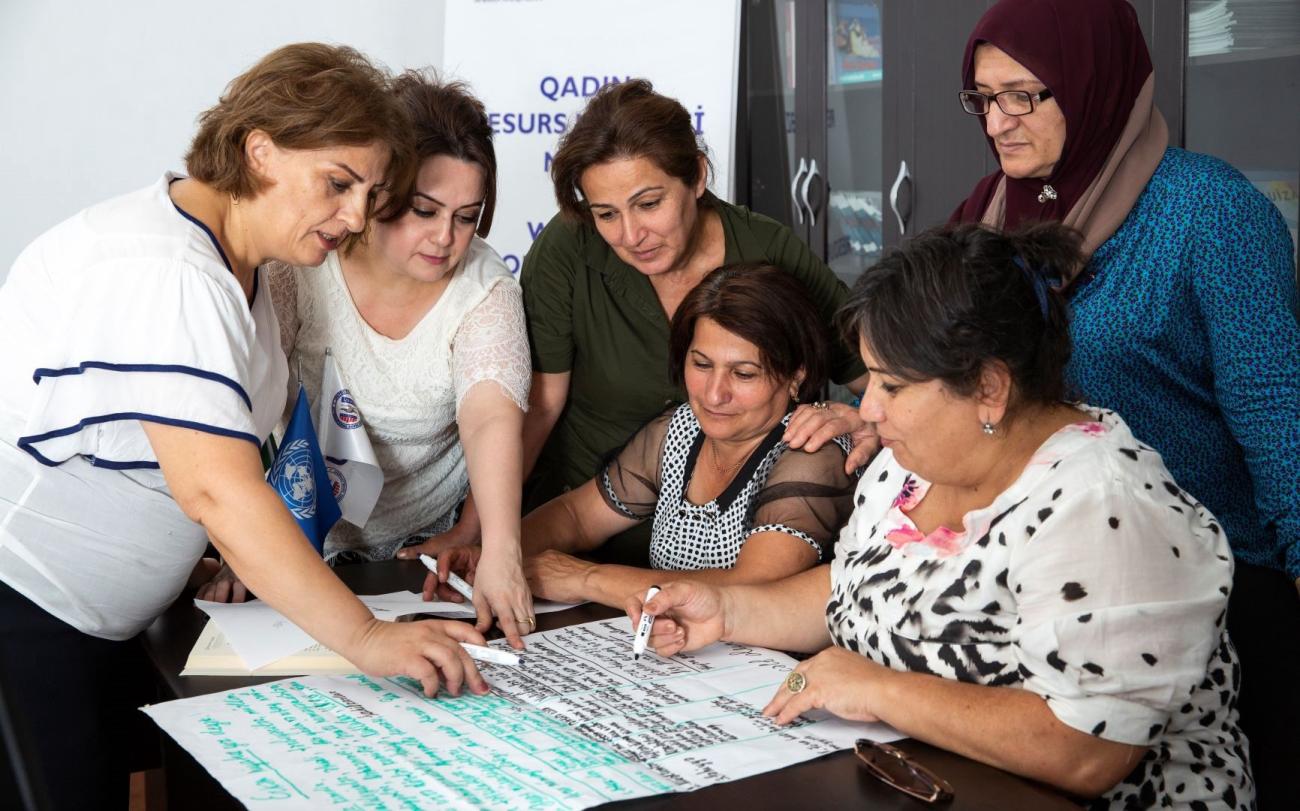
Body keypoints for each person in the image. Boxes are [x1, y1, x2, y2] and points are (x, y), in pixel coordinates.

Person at [0, 44, 493, 807]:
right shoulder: (170, 271)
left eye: (371, 192)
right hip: (26, 609)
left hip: (102, 619)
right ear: (258, 149)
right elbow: (219, 490)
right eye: (338, 183)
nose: (358, 215)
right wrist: (365, 637)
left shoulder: (244, 262)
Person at [635, 223, 1253, 810]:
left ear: (989, 387)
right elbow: (852, 588)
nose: (867, 409)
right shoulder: (911, 462)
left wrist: (876, 688)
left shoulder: (1105, 503)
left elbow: (1089, 750)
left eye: (892, 386)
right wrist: (727, 612)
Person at [948, 1, 1299, 801]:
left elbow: (1281, 423)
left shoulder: (1209, 211)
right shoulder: (990, 213)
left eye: (1023, 95)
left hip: (1205, 589)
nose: (997, 122)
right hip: (1038, 580)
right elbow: (943, 374)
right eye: (982, 98)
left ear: (1094, 83)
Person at [403, 79, 871, 567]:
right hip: (572, 529)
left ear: (696, 176)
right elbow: (537, 410)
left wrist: (864, 421)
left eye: (649, 204)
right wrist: (476, 535)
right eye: (606, 213)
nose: (630, 235)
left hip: (731, 557)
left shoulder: (769, 251)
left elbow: (883, 377)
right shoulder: (569, 249)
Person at [208, 71, 532, 645]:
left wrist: (499, 549)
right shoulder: (303, 260)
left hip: (420, 549)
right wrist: (248, 543)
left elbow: (490, 417)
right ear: (378, 194)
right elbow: (240, 404)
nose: (445, 240)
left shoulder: (485, 289)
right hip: (293, 527)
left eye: (466, 217)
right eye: (424, 212)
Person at [431, 265, 854, 609]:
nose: (714, 393)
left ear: (796, 376)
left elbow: (751, 587)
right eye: (701, 364)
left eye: (744, 374)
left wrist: (586, 579)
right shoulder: (681, 430)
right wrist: (494, 555)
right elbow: (577, 518)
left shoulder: (810, 450)